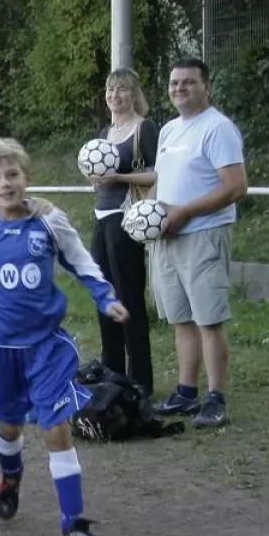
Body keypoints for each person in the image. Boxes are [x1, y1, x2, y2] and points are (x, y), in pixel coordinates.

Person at [0, 138, 128, 536]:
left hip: (46, 347)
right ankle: (10, 478)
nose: (5, 183)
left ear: (27, 178)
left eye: (13, 175)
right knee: (9, 426)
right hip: (0, 348)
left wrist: (105, 296)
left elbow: (80, 259)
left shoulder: (50, 221)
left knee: (55, 429)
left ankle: (73, 524)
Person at [151, 58, 248, 429]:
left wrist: (184, 212)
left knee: (209, 319)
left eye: (188, 82)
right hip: (169, 235)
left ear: (206, 86)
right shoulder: (169, 131)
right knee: (181, 318)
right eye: (174, 83)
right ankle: (186, 393)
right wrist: (154, 216)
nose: (179, 88)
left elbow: (235, 187)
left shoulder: (218, 128)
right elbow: (162, 181)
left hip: (203, 234)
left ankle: (216, 400)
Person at [87, 68, 158, 395]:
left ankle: (140, 378)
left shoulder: (143, 129)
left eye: (123, 90)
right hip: (101, 217)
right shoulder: (104, 132)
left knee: (129, 296)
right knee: (104, 295)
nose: (115, 95)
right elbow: (99, 174)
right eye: (111, 90)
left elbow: (157, 175)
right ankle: (112, 369)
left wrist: (120, 177)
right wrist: (97, 180)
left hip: (126, 219)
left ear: (134, 94)